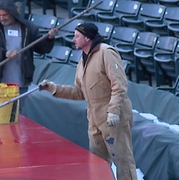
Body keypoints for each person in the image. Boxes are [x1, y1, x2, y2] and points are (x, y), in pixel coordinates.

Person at [39, 23, 138, 180]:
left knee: (122, 159)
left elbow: (119, 84)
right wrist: (54, 88)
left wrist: (114, 110)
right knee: (97, 161)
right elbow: (80, 93)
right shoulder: (82, 60)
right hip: (94, 118)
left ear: (87, 37)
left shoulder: (106, 52)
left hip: (113, 116)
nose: (73, 39)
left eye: (76, 36)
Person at [0, 0, 57, 110]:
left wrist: (49, 38)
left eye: (5, 15)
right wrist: (4, 53)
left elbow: (42, 49)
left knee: (16, 115)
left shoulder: (28, 27)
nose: (2, 18)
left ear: (12, 13)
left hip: (20, 83)